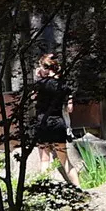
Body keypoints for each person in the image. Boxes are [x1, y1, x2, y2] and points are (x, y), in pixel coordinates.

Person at [29, 54, 81, 188]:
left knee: (44, 159)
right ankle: (79, 188)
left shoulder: (40, 85)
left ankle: (44, 190)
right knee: (65, 161)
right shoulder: (64, 87)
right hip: (58, 123)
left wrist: (37, 78)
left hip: (42, 123)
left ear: (45, 68)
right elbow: (69, 109)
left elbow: (32, 98)